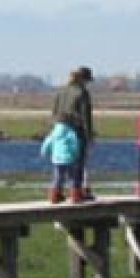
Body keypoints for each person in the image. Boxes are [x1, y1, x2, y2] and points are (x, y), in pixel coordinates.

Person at [51, 66, 95, 202]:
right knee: (78, 163)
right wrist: (89, 136)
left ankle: (55, 193)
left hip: (59, 129)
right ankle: (76, 193)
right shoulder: (82, 93)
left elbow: (54, 112)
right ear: (83, 80)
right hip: (76, 130)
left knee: (60, 163)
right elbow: (86, 117)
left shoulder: (60, 91)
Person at [39, 120, 83, 203]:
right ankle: (74, 197)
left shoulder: (54, 133)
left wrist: (44, 152)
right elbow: (75, 145)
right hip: (69, 158)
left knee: (57, 178)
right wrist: (76, 155)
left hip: (57, 159)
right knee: (72, 178)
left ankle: (54, 197)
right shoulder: (71, 133)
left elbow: (47, 143)